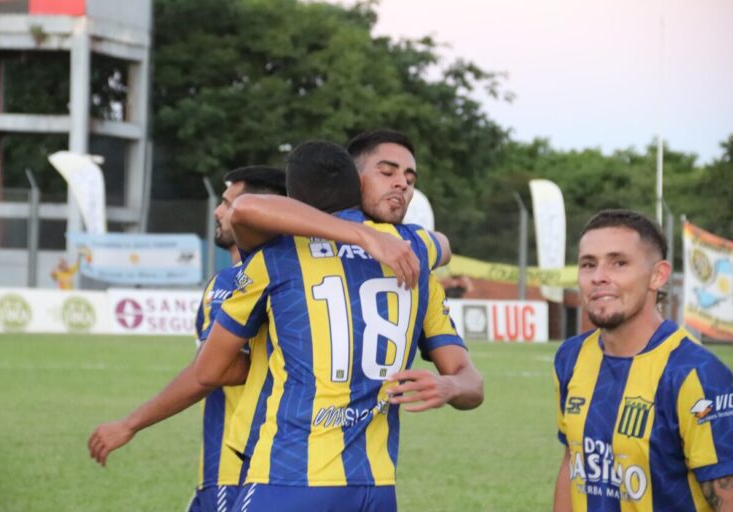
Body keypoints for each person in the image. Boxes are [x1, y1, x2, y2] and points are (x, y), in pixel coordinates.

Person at [195, 141, 483, 512]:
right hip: (375, 488)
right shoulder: (415, 254)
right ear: (354, 180)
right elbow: (443, 245)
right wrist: (452, 384)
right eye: (387, 172)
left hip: (290, 476)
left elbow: (207, 372)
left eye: (409, 178)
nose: (401, 184)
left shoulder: (279, 254)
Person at [88, 166, 287, 512]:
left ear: (253, 214)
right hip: (288, 465)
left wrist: (130, 423)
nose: (218, 211)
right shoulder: (293, 274)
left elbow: (217, 370)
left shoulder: (233, 282)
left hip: (233, 468)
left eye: (229, 204)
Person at [553, 209, 733, 511]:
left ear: (657, 275)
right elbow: (572, 459)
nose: (599, 277)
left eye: (619, 263)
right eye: (588, 264)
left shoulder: (696, 374)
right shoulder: (570, 357)